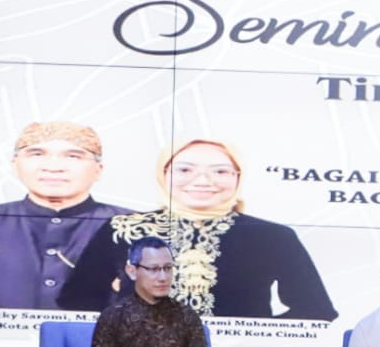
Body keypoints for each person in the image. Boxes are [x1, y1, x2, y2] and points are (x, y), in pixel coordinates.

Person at [59, 137, 336, 320]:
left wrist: (252, 337)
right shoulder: (123, 228)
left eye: (220, 171)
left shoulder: (272, 236)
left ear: (237, 177)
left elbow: (316, 310)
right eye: (184, 170)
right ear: (163, 175)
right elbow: (76, 300)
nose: (203, 180)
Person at [0, 121, 130, 309]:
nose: (53, 167)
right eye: (37, 154)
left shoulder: (136, 227)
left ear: (98, 169)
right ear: (15, 165)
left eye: (73, 156)